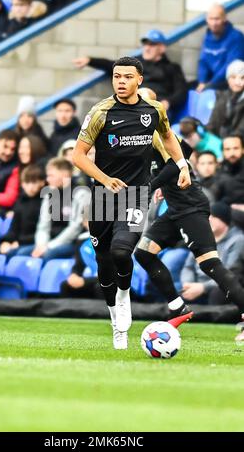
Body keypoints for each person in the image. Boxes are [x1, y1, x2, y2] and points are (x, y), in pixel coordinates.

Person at [72, 56, 191, 350]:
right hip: (102, 195)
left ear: (140, 79)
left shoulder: (153, 110)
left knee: (122, 251)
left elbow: (168, 136)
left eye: (127, 76)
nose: (121, 81)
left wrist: (182, 164)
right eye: (116, 76)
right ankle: (116, 320)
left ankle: (124, 297)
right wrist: (105, 178)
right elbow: (77, 155)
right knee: (103, 262)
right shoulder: (100, 112)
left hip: (136, 194)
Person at [134, 131, 244, 340]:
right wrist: (160, 184)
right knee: (143, 253)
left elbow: (181, 156)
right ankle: (178, 308)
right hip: (175, 209)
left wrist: (152, 185)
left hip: (191, 207)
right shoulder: (141, 139)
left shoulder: (159, 130)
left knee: (210, 264)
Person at [73, 30, 188, 113]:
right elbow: (112, 65)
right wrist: (90, 60)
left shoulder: (172, 68)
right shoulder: (136, 63)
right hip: (134, 106)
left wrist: (168, 102)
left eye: (152, 44)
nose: (147, 48)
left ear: (162, 48)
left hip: (158, 108)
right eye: (146, 44)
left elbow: (181, 91)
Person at [180, 202, 244, 305]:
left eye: (213, 216)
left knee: (218, 293)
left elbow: (231, 274)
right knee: (178, 298)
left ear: (224, 220)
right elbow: (188, 267)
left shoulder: (238, 240)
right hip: (196, 287)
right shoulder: (199, 238)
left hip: (217, 288)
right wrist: (188, 284)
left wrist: (203, 287)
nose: (208, 219)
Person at [30, 157, 91, 263]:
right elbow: (43, 226)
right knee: (19, 254)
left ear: (65, 175)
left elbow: (75, 228)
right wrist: (41, 245)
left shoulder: (81, 193)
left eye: (51, 175)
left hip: (73, 243)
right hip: (49, 242)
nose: (47, 179)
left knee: (48, 255)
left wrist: (49, 246)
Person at [196, 4, 244, 92]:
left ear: (224, 18)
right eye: (211, 19)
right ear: (207, 19)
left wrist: (210, 84)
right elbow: (203, 62)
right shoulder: (207, 37)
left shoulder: (236, 37)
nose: (214, 23)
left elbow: (230, 66)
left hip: (230, 82)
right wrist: (202, 81)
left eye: (217, 19)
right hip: (211, 81)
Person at [207, 60, 244, 139]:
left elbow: (241, 130)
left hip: (237, 143)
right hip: (219, 141)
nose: (238, 82)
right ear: (228, 79)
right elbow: (212, 124)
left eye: (242, 78)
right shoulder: (222, 96)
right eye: (233, 77)